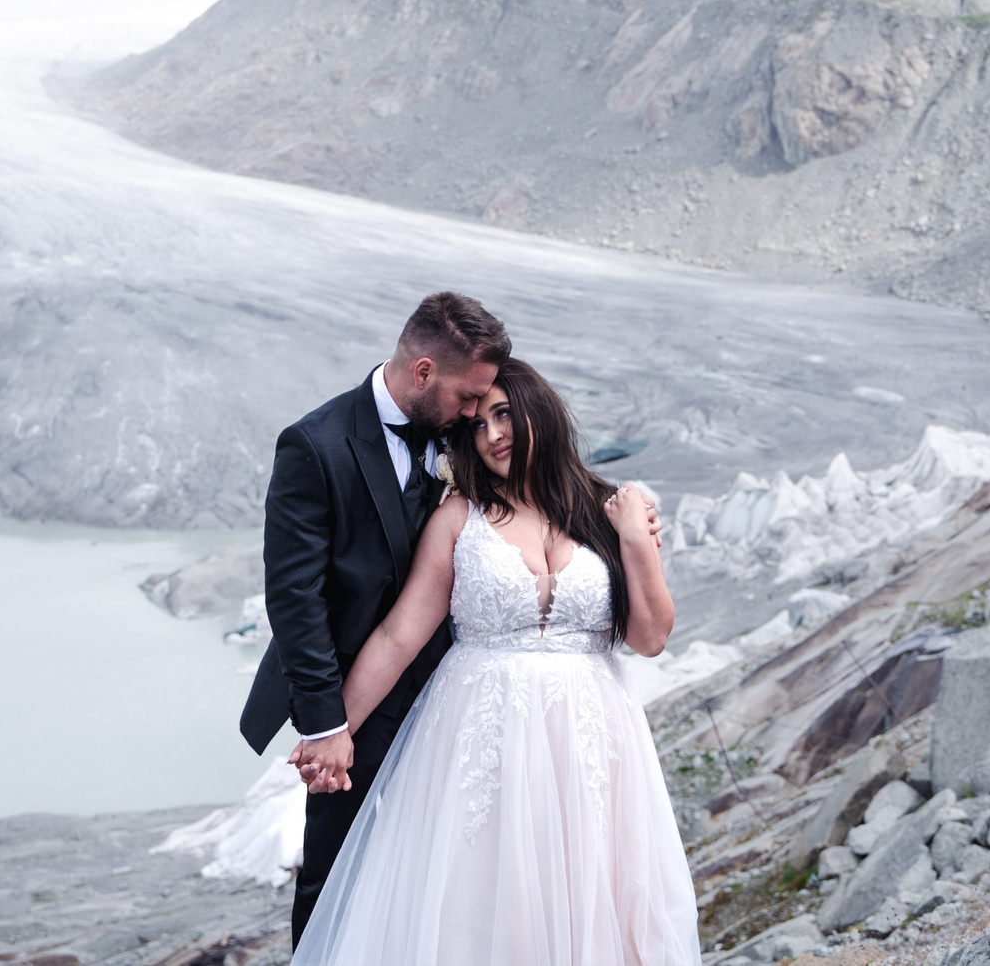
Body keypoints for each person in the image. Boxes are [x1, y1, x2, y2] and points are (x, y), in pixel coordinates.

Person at [291, 357, 701, 966]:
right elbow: (399, 636)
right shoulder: (458, 519)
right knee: (477, 905)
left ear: (540, 411)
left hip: (590, 740)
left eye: (504, 414)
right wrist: (334, 731)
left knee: (592, 895)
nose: (492, 435)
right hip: (480, 737)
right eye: (478, 426)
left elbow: (650, 637)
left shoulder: (607, 511)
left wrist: (637, 540)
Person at [242, 291, 514, 946]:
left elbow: (531, 467)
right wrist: (328, 724)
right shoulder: (315, 445)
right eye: (467, 397)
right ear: (423, 372)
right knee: (335, 872)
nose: (475, 414)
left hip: (453, 691)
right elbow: (295, 596)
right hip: (353, 698)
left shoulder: (461, 429)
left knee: (447, 869)